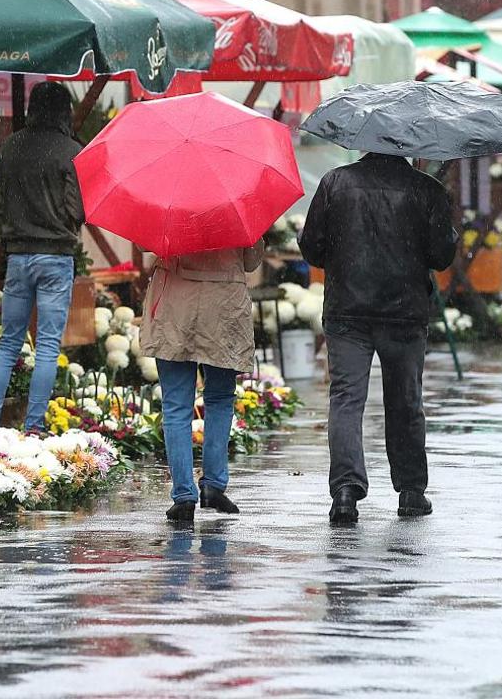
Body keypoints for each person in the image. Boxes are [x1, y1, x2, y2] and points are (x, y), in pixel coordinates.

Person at [299, 153, 457, 525]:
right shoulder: (426, 189)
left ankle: (345, 492)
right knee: (405, 400)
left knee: (346, 399)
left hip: (347, 309)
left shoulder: (335, 183)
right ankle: (411, 491)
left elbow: (312, 247)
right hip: (403, 313)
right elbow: (441, 255)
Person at [0, 81, 84, 433]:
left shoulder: (10, 147)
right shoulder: (71, 151)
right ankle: (34, 427)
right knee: (47, 346)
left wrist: (13, 235)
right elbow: (78, 209)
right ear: (64, 110)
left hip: (18, 258)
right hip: (56, 258)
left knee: (8, 344)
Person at [144, 239, 265, 524]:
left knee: (176, 405)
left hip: (176, 303)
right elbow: (251, 261)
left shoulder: (170, 199)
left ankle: (184, 495)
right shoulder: (237, 204)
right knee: (220, 399)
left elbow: (145, 244)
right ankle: (213, 485)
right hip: (224, 307)